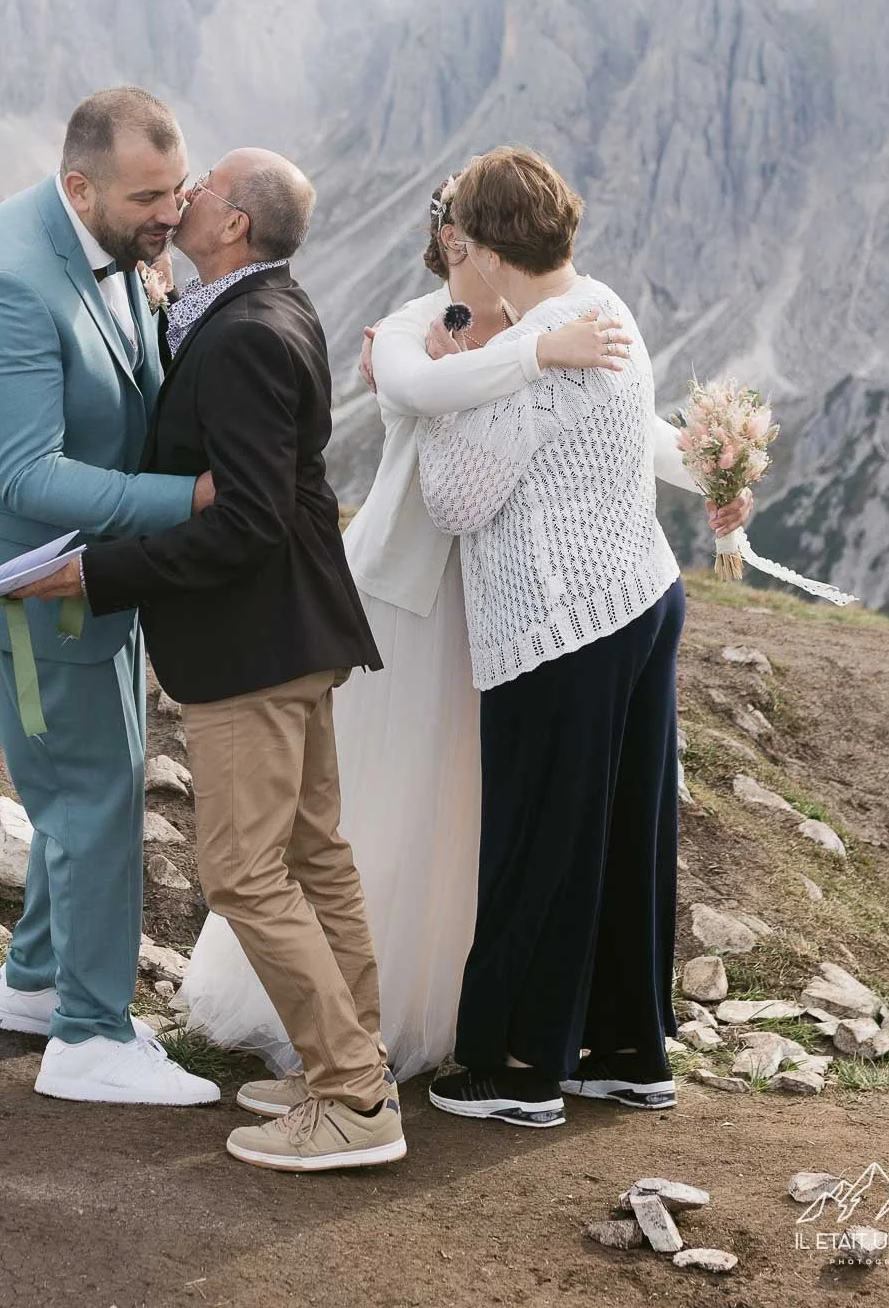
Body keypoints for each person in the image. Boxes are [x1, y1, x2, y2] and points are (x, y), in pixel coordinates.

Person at [176, 174, 650, 1081]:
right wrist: (538, 353)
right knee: (375, 801)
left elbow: (606, 406)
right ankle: (351, 1021)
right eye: (456, 246)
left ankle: (455, 1003)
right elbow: (415, 387)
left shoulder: (559, 325)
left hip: (494, 604)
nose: (463, 258)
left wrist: (705, 461)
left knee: (469, 805)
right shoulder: (412, 327)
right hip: (404, 593)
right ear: (451, 250)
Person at [18, 149, 405, 1173]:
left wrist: (106, 573)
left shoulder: (243, 339)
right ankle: (357, 1060)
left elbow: (246, 522)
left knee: (241, 871)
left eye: (200, 191)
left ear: (233, 225)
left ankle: (355, 1100)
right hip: (297, 631)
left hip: (255, 646)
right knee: (315, 858)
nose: (181, 199)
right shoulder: (265, 309)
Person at [0, 87, 220, 1109]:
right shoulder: (7, 283)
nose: (170, 213)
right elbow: (26, 476)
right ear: (79, 184)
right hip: (21, 587)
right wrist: (195, 500)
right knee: (89, 793)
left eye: (177, 189)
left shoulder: (111, 241)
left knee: (93, 781)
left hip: (78, 577)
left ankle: (35, 985)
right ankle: (89, 1037)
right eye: (148, 197)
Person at [421, 147, 709, 1128]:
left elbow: (455, 499)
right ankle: (627, 1052)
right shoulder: (606, 306)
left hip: (561, 628)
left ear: (490, 248)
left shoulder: (535, 350)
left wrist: (450, 392)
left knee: (539, 841)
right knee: (629, 835)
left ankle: (516, 1068)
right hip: (643, 595)